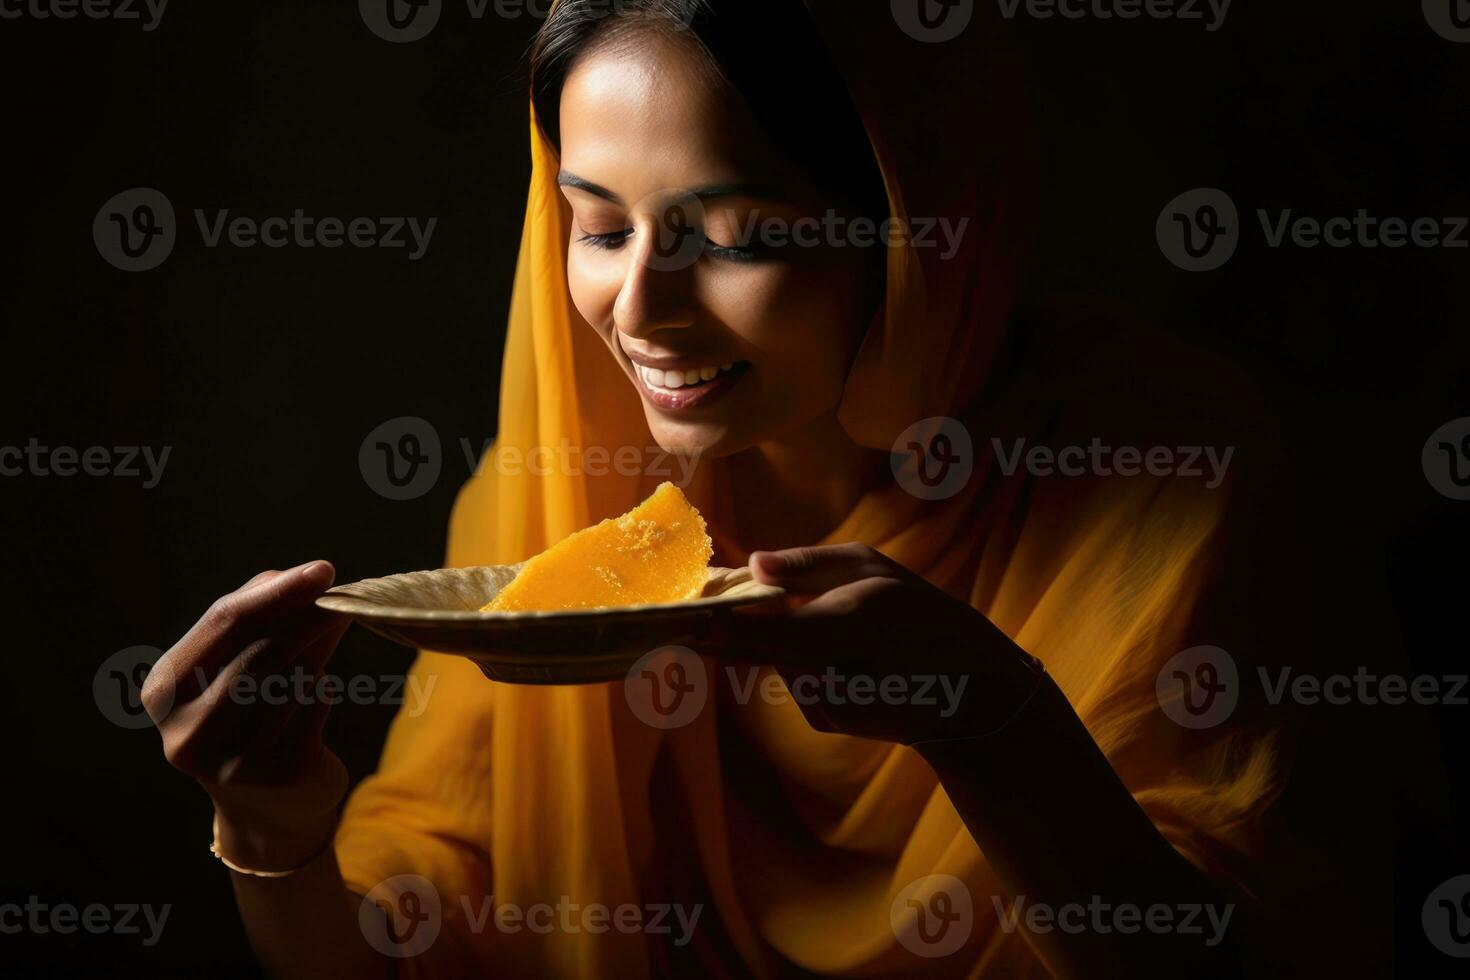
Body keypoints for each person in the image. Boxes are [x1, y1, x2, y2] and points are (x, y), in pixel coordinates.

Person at [144, 1, 1280, 975]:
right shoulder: (558, 493)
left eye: (735, 240)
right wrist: (273, 826)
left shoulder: (1166, 472)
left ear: (912, 233)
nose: (639, 307)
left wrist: (991, 721)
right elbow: (423, 938)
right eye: (597, 226)